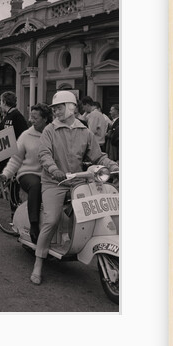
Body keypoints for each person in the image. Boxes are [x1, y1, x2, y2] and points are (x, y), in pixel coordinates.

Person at [31, 90, 119, 285]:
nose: (55, 112)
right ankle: (39, 261)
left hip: (78, 181)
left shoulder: (85, 131)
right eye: (54, 109)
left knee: (96, 210)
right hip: (54, 181)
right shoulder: (49, 130)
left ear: (71, 107)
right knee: (51, 219)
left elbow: (97, 156)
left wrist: (113, 166)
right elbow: (44, 154)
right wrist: (54, 170)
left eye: (59, 108)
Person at [0, 103, 53, 243]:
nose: (31, 120)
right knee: (36, 185)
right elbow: (16, 159)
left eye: (35, 118)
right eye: (31, 117)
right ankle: (34, 225)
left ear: (45, 119)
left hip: (52, 174)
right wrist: (6, 174)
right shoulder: (26, 135)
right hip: (29, 173)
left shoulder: (55, 133)